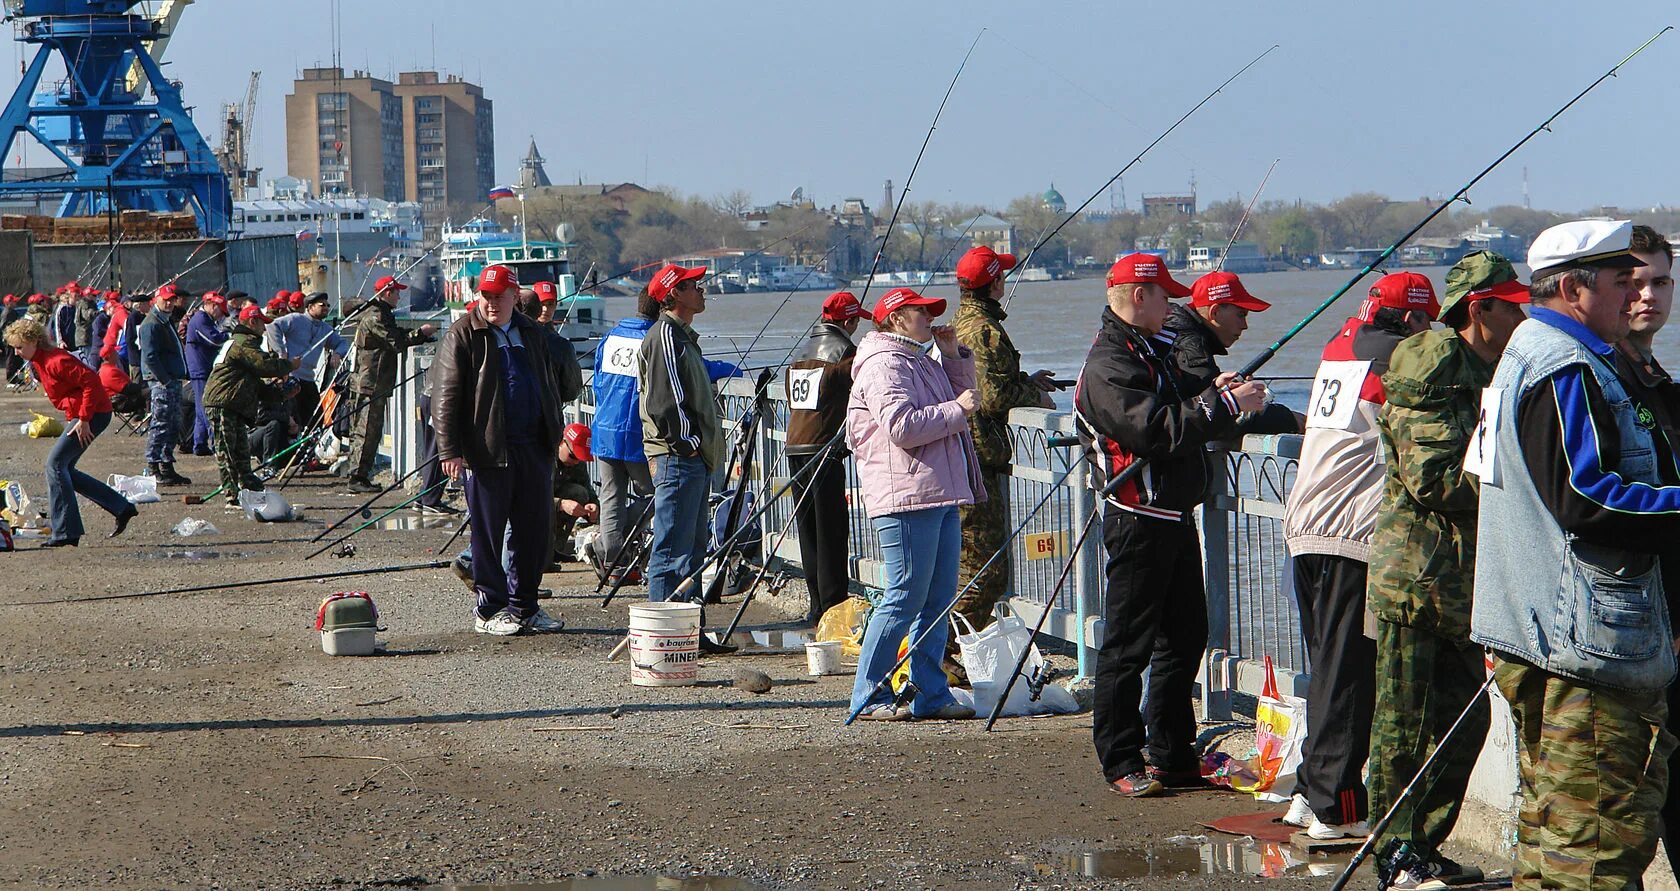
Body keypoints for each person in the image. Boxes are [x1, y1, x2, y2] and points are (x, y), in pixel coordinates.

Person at [1470, 219, 1680, 891]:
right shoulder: (1566, 363)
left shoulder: (1529, 353)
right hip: (1581, 648)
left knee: (1552, 833)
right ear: (1570, 288)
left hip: (1535, 632)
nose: (1634, 298)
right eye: (1621, 283)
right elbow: (1587, 493)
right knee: (1595, 848)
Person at [1076, 254, 1268, 797]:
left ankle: (1173, 754)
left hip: (1173, 516)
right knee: (1127, 645)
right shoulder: (1109, 361)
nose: (1173, 305)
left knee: (1186, 637)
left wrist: (1215, 391)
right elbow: (1150, 430)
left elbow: (1179, 398)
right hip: (1138, 519)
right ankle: (1120, 760)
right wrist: (1221, 403)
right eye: (1165, 296)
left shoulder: (1144, 348)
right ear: (1140, 296)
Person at [1365, 252, 1528, 888]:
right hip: (1417, 576)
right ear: (1479, 308)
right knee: (1402, 725)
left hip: (1465, 581)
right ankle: (1391, 854)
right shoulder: (1432, 366)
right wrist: (1521, 475)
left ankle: (1423, 842)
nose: (1522, 314)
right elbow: (1432, 480)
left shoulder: (1500, 367)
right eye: (1510, 304)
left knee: (1468, 720)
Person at [1281, 271, 1434, 837]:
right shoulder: (1401, 360)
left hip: (1306, 523)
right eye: (1427, 320)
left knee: (1325, 665)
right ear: (1411, 318)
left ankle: (1309, 787)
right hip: (1352, 531)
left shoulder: (1341, 343)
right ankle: (1335, 806)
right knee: (1350, 673)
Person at [846, 286, 984, 721]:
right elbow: (902, 427)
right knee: (904, 594)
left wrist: (954, 355)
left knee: (939, 598)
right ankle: (870, 695)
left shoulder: (919, 359)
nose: (929, 317)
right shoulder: (884, 364)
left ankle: (932, 692)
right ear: (895, 318)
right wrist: (957, 410)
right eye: (920, 312)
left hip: (936, 489)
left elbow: (965, 401)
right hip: (904, 496)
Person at [432, 264, 565, 635]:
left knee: (533, 529)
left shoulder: (532, 333)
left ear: (513, 296)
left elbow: (551, 383)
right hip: (487, 449)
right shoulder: (462, 334)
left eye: (499, 296)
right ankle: (490, 608)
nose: (491, 304)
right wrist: (449, 450)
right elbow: (445, 396)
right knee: (488, 534)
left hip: (533, 447)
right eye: (485, 296)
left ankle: (525, 605)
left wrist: (554, 431)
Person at [946, 246, 1056, 648]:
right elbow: (993, 397)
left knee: (969, 565)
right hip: (978, 457)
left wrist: (1027, 378)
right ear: (994, 283)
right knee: (985, 570)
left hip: (963, 454)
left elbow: (981, 379)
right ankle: (943, 654)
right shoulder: (985, 330)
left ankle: (950, 653)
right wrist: (1035, 396)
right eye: (1001, 275)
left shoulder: (961, 323)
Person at [590, 287, 738, 584]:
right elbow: (686, 375)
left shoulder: (611, 337)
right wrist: (729, 369)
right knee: (659, 498)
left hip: (604, 432)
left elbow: (597, 381)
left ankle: (611, 557)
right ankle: (615, 549)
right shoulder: (657, 337)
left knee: (611, 498)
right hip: (637, 436)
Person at [636, 265, 731, 615]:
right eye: (695, 286)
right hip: (678, 458)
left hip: (693, 458)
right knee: (672, 550)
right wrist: (688, 443)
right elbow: (665, 402)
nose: (702, 290)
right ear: (675, 293)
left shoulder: (683, 337)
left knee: (692, 548)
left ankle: (689, 628)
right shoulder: (665, 336)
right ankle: (664, 630)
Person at [3, 317, 138, 546]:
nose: (16, 353)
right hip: (85, 415)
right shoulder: (39, 360)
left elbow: (92, 382)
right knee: (64, 469)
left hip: (93, 414)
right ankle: (121, 507)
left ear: (34, 341)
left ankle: (66, 533)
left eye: (19, 347)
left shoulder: (56, 360)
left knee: (55, 465)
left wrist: (84, 419)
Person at [785, 290, 863, 623]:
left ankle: (816, 604)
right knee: (831, 530)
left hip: (795, 446)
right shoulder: (845, 352)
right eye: (857, 319)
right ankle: (834, 608)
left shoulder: (804, 350)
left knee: (809, 531)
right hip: (822, 449)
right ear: (848, 320)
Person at [1164, 271, 1303, 434]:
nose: (1245, 325)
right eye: (1241, 315)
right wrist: (1288, 419)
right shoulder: (1191, 348)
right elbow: (1214, 415)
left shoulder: (1175, 331)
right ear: (1214, 312)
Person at [202, 305, 300, 508]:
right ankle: (232, 495)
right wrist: (289, 365)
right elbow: (264, 366)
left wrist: (283, 393)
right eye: (262, 323)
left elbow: (258, 387)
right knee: (227, 450)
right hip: (223, 403)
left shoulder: (245, 345)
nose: (264, 329)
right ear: (252, 322)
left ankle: (249, 487)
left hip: (233, 403)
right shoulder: (242, 344)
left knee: (241, 450)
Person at [346, 275, 434, 493]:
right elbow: (396, 341)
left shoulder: (380, 314)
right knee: (367, 430)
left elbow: (394, 334)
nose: (399, 295)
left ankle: (360, 475)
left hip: (372, 381)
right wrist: (421, 333)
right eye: (396, 291)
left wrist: (418, 336)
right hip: (370, 382)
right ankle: (357, 477)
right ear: (387, 292)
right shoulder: (376, 315)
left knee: (368, 430)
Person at [266, 291, 349, 435]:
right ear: (310, 307)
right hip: (291, 377)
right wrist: (281, 352)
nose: (326, 308)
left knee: (315, 419)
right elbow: (272, 327)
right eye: (322, 305)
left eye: (328, 305)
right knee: (293, 419)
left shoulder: (325, 329)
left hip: (309, 379)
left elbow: (342, 343)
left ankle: (308, 451)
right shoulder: (296, 319)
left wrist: (337, 353)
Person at [138, 283, 193, 485]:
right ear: (156, 300)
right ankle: (153, 466)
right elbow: (150, 356)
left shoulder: (165, 320)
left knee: (173, 424)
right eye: (166, 300)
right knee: (161, 423)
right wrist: (166, 380)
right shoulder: (151, 324)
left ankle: (167, 465)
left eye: (172, 300)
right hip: (162, 382)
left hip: (172, 379)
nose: (169, 303)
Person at [183, 292, 230, 456]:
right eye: (220, 311)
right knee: (206, 407)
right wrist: (230, 335)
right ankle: (216, 442)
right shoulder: (200, 319)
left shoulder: (206, 320)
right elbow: (214, 340)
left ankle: (200, 443)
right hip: (200, 369)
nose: (221, 316)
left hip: (202, 368)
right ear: (213, 305)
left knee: (200, 407)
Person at [552, 422, 600, 565]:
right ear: (561, 443)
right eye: (573, 456)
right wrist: (561, 504)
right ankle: (541, 552)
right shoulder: (543, 459)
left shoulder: (576, 463)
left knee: (579, 493)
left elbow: (587, 488)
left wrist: (593, 507)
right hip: (535, 509)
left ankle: (555, 549)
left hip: (555, 499)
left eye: (580, 458)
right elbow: (531, 497)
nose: (576, 462)